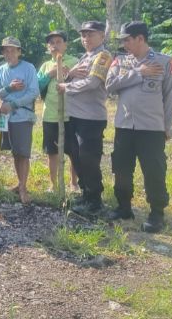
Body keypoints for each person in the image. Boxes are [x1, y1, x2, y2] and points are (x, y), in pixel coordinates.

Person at [106, 21, 172, 233]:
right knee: (121, 169)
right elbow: (109, 86)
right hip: (124, 126)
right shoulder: (120, 61)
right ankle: (124, 207)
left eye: (127, 40)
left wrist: (168, 127)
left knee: (154, 170)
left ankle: (157, 213)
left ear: (140, 38)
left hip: (151, 128)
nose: (124, 44)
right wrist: (139, 72)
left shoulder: (165, 62)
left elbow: (170, 97)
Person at [56, 21, 113, 216]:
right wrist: (70, 77)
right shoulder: (85, 57)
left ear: (101, 36)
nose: (86, 38)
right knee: (76, 155)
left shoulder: (103, 56)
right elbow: (73, 77)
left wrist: (67, 87)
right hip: (76, 115)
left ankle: (95, 200)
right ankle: (86, 193)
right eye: (83, 35)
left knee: (89, 157)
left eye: (90, 35)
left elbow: (93, 82)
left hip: (91, 117)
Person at [0, 37, 39, 204]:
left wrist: (13, 103)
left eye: (13, 50)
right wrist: (9, 88)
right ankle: (20, 182)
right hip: (6, 118)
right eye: (6, 50)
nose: (9, 53)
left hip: (23, 116)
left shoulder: (29, 68)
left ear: (19, 52)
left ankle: (23, 187)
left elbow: (34, 92)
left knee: (23, 152)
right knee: (14, 151)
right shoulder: (0, 70)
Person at [37, 30, 79, 191]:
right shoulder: (46, 65)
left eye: (58, 42)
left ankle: (73, 183)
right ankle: (54, 184)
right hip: (50, 114)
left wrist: (67, 73)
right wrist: (50, 74)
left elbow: (81, 83)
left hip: (70, 114)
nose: (55, 46)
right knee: (52, 151)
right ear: (48, 47)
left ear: (65, 44)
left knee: (73, 151)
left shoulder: (74, 61)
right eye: (51, 43)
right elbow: (37, 86)